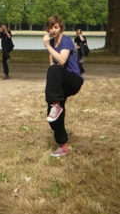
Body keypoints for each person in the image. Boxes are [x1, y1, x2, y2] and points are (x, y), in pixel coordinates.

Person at [42, 15, 84, 158]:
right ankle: (63, 146)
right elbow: (51, 68)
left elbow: (61, 60)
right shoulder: (52, 45)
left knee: (54, 69)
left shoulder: (66, 40)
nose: (53, 30)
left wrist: (47, 46)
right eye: (50, 27)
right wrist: (50, 47)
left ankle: (56, 104)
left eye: (56, 27)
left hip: (74, 80)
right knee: (52, 116)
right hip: (61, 82)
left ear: (60, 27)